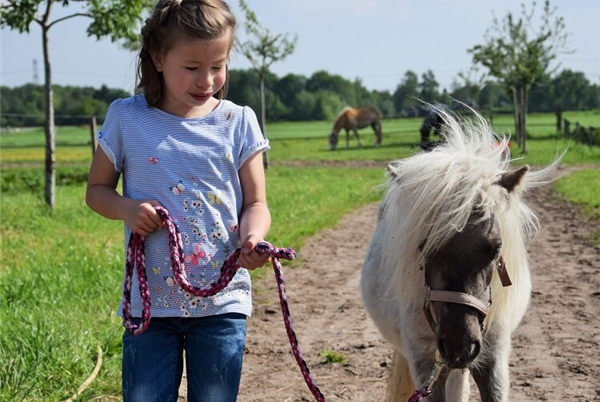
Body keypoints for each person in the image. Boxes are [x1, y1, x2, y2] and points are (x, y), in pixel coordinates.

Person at [85, 1, 271, 401]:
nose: (207, 80)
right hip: (150, 307)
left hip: (222, 304)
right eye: (192, 68)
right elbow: (96, 191)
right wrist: (127, 209)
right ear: (157, 58)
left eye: (217, 65)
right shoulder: (126, 118)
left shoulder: (238, 122)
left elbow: (256, 202)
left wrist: (252, 238)